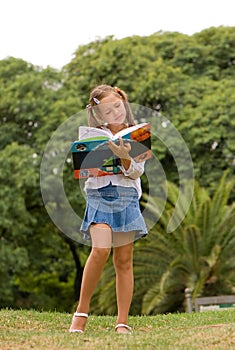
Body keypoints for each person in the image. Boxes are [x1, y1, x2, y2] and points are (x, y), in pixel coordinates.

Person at [69, 84, 148, 334]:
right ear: (98, 114)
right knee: (100, 250)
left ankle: (122, 321)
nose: (115, 112)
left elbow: (137, 171)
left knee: (124, 260)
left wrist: (124, 156)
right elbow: (85, 171)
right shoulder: (92, 135)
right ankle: (81, 314)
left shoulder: (136, 135)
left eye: (118, 106)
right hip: (99, 196)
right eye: (107, 110)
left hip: (127, 197)